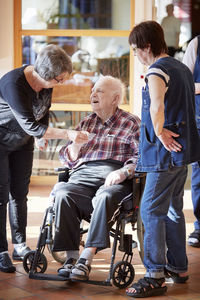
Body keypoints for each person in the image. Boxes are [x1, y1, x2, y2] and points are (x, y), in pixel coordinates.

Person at [126, 21, 200, 298]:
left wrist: (158, 132)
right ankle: (179, 267)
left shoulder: (156, 69)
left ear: (147, 47)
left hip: (164, 154)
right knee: (172, 210)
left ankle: (155, 275)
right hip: (183, 152)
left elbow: (157, 105)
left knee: (150, 211)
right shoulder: (180, 67)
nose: (136, 55)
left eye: (136, 50)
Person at [0, 44, 89, 273]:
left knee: (19, 193)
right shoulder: (13, 83)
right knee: (1, 195)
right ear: (47, 75)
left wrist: (41, 134)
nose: (61, 83)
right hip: (1, 140)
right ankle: (0, 250)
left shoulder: (46, 84)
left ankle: (19, 245)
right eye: (59, 80)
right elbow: (30, 124)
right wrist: (66, 133)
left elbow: (43, 110)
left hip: (22, 142)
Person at [49, 75, 140, 281]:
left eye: (99, 91)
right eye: (92, 90)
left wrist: (123, 172)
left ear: (115, 99)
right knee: (63, 192)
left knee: (105, 196)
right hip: (83, 176)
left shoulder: (131, 122)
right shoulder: (86, 122)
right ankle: (71, 258)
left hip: (114, 178)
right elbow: (67, 159)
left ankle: (86, 257)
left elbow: (141, 156)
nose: (93, 94)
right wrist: (76, 145)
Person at [183, 36, 200, 247]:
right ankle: (199, 227)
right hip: (199, 121)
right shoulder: (196, 44)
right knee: (199, 177)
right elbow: (184, 83)